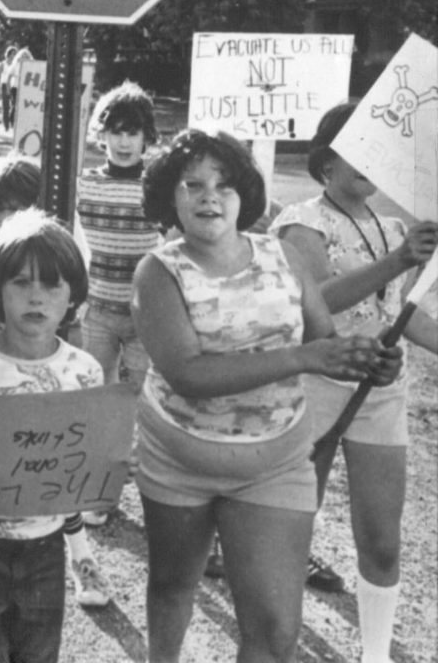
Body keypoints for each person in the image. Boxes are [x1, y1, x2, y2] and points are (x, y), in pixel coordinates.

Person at [131, 129, 401, 663]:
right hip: (178, 458)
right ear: (171, 197)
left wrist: (370, 361)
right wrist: (301, 358)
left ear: (245, 198)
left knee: (276, 629)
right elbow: (187, 372)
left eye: (226, 185)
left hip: (276, 464)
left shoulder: (282, 257)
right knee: (172, 587)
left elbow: (323, 340)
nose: (211, 195)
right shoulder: (158, 271)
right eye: (194, 184)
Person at [270, 102, 438, 663]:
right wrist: (397, 262)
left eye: (378, 152)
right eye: (356, 150)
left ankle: (375, 652)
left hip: (380, 393)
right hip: (315, 385)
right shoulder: (301, 222)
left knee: (383, 539)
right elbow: (315, 301)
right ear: (326, 165)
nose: (370, 162)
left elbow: (399, 314)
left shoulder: (392, 227)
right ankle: (278, 643)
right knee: (293, 526)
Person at [0, 209, 108, 663]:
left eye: (52, 284)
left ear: (73, 294)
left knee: (37, 652)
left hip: (45, 544)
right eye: (21, 282)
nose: (36, 297)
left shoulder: (84, 371)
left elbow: (88, 455)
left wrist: (109, 468)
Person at [76, 81, 162, 391]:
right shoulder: (84, 185)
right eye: (116, 132)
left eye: (133, 133)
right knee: (93, 392)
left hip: (147, 314)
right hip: (96, 311)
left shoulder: (159, 186)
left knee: (143, 394)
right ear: (102, 135)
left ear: (146, 138)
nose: (124, 143)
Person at [0, 46, 17, 131]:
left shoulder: (16, 64)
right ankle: (6, 125)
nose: (14, 55)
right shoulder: (2, 64)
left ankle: (11, 121)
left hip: (14, 85)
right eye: (13, 53)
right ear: (8, 54)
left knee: (14, 105)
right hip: (4, 85)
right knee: (5, 106)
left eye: (15, 54)